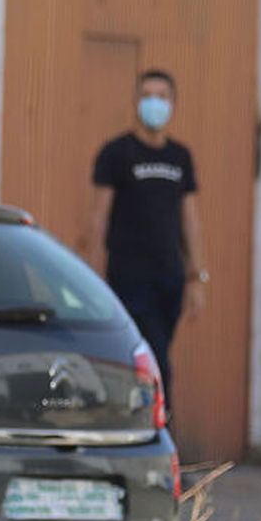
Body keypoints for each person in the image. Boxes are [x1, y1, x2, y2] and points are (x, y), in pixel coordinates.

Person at [88, 69, 207, 419]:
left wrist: (197, 276)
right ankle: (162, 436)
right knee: (154, 360)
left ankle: (140, 425)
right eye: (147, 95)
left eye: (162, 96)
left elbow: (190, 220)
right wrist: (94, 279)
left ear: (173, 103)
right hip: (130, 277)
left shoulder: (180, 157)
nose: (155, 103)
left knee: (155, 355)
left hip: (169, 276)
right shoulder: (116, 154)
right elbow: (99, 219)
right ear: (137, 101)